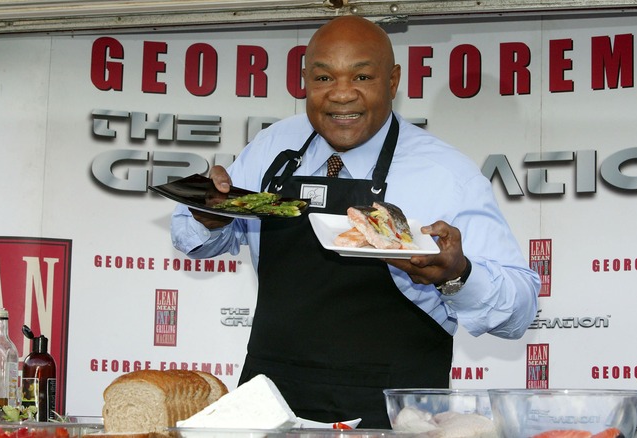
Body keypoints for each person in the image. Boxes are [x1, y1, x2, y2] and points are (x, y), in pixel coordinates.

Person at [171, 15, 540, 429]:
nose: (341, 95)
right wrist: (208, 214)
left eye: (362, 76)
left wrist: (457, 275)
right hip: (271, 402)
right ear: (305, 79)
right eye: (324, 77)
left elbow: (520, 309)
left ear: (393, 80)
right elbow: (197, 240)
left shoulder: (445, 173)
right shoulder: (275, 146)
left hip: (395, 411)